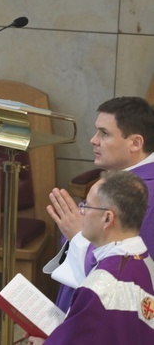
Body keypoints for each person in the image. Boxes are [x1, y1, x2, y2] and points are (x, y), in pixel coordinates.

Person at [44, 96, 154, 310]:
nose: (93, 140)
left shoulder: (144, 195)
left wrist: (77, 236)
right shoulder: (126, 181)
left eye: (104, 133)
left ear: (135, 143)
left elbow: (125, 277)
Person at [28, 170, 154, 344]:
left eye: (86, 206)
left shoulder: (101, 287)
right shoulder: (145, 263)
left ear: (107, 218)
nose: (82, 212)